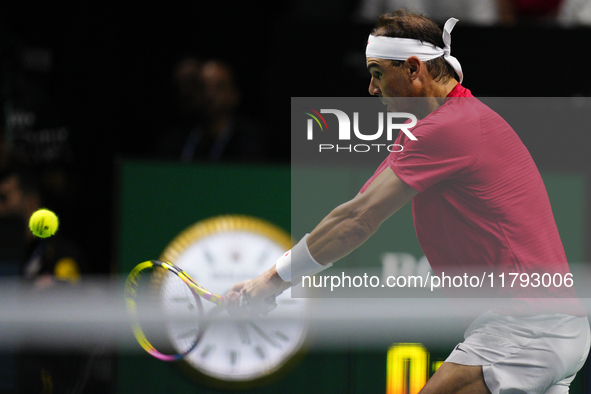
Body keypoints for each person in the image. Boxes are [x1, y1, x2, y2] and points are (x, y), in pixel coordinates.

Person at [227, 9, 590, 394]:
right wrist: (272, 280)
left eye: (378, 72)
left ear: (415, 69)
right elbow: (358, 207)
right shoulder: (439, 126)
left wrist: (271, 281)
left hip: (525, 325)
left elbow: (358, 219)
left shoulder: (450, 129)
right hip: (546, 327)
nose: (371, 88)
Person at [158, 57, 270, 163]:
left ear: (234, 95)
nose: (209, 95)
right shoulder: (174, 142)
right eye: (202, 87)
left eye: (218, 87)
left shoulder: (252, 142)